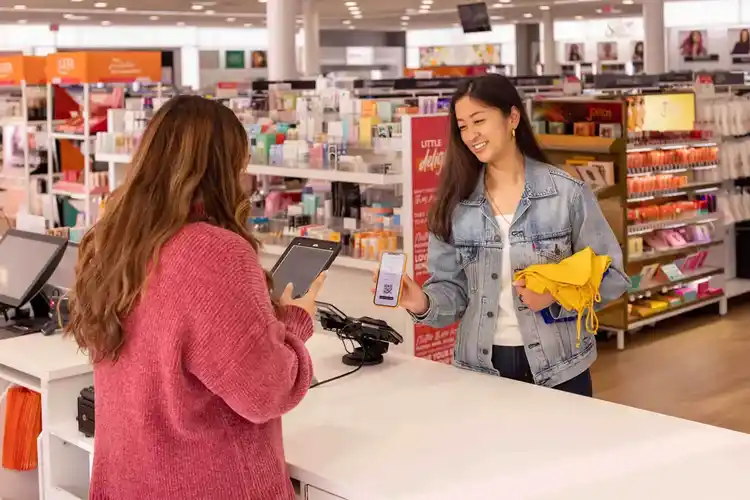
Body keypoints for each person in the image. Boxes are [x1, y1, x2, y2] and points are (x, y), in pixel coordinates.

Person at [65, 95, 325, 500]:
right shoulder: (216, 253)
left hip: (129, 480)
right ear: (221, 169)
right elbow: (266, 391)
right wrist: (293, 321)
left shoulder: (114, 245)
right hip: (205, 481)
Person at [387, 74, 629, 396]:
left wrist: (554, 297)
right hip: (481, 368)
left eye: (479, 121)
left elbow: (611, 276)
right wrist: (421, 301)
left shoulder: (566, 194)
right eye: (462, 126)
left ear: (512, 117)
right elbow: (452, 291)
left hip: (560, 368)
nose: (471, 135)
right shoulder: (454, 204)